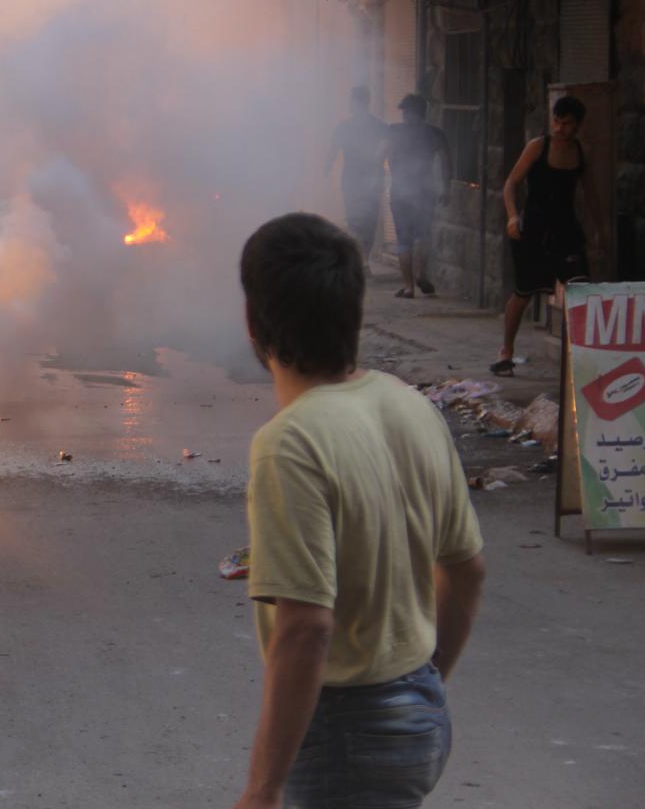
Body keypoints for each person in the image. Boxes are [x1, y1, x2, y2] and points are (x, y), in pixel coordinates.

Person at [233, 212, 486, 809]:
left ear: (254, 324)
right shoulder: (409, 405)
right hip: (418, 713)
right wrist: (421, 686)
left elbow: (305, 627)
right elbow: (468, 568)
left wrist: (261, 791)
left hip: (347, 732)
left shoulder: (289, 442)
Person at [491, 95, 601, 376]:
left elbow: (590, 195)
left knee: (581, 290)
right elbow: (510, 184)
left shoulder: (580, 151)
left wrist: (599, 233)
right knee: (524, 292)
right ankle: (506, 351)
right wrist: (513, 215)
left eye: (566, 124)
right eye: (556, 121)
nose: (559, 128)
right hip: (534, 229)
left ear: (577, 126)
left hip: (566, 229)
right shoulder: (538, 147)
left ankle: (584, 358)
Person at [385, 94, 450, 298]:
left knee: (404, 239)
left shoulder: (393, 132)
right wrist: (446, 188)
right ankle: (421, 274)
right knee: (422, 235)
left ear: (408, 113)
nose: (403, 115)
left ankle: (409, 287)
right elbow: (446, 163)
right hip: (425, 192)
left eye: (404, 111)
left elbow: (378, 156)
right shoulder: (435, 134)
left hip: (400, 193)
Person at [325, 85, 387, 255]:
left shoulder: (344, 126)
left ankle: (361, 259)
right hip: (371, 180)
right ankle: (363, 258)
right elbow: (385, 152)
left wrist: (327, 168)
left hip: (353, 180)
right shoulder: (380, 126)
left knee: (354, 221)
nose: (348, 104)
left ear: (356, 101)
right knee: (369, 220)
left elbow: (332, 151)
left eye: (350, 100)